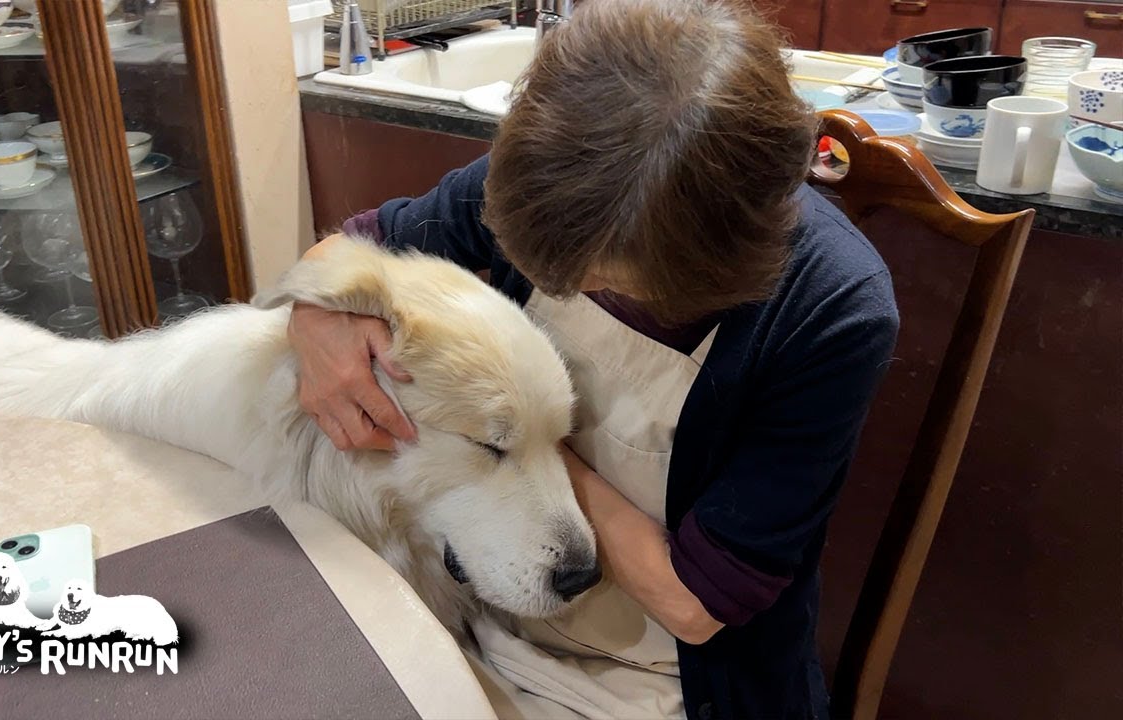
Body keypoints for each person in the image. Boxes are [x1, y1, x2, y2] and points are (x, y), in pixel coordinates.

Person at [286, 0, 900, 718]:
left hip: (675, 681)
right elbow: (348, 251)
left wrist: (514, 440)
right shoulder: (558, 179)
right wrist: (315, 316)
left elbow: (697, 604)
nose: (576, 289)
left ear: (714, 261)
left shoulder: (832, 308)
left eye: (609, 278)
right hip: (483, 622)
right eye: (551, 269)